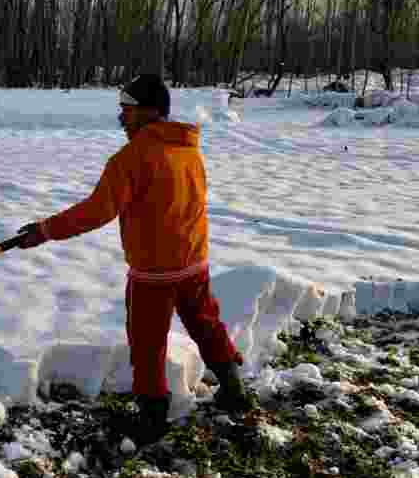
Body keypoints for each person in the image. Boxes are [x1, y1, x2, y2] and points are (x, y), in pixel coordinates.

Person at [16, 73, 254, 447]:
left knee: (147, 343)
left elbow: (97, 210)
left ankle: (152, 416)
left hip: (154, 272)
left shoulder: (131, 158)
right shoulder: (188, 149)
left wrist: (45, 230)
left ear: (149, 111)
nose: (121, 119)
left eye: (126, 111)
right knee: (205, 323)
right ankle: (234, 388)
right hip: (193, 261)